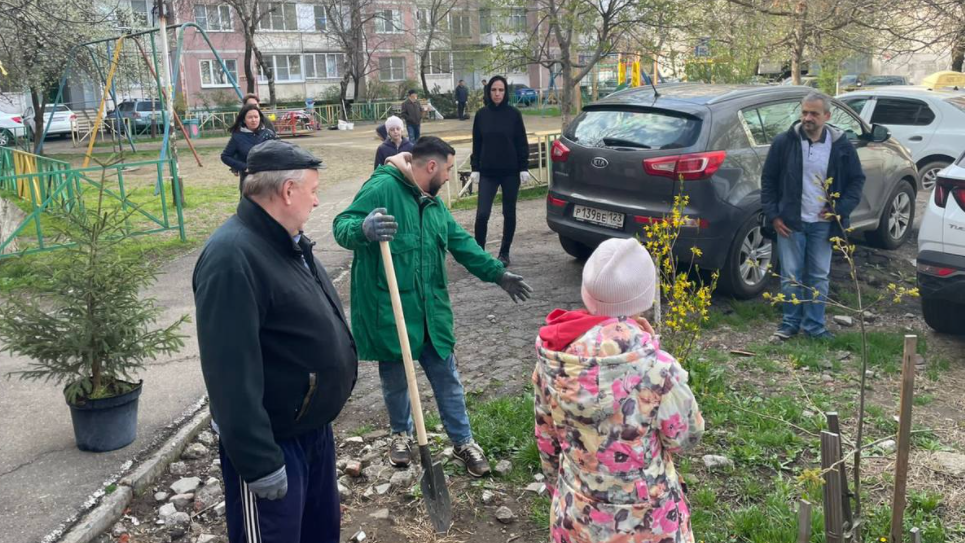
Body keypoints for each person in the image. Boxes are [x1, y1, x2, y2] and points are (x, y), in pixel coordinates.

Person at [333, 136, 533, 478]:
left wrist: (498, 274)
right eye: (449, 170)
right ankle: (401, 435)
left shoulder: (435, 205)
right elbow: (341, 226)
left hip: (432, 312)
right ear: (431, 167)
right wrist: (363, 229)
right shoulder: (381, 189)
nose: (450, 176)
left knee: (448, 379)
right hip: (394, 310)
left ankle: (463, 442)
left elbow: (462, 244)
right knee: (396, 379)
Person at [194, 140, 358, 543]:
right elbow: (229, 374)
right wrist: (258, 462)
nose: (317, 202)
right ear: (288, 192)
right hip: (274, 445)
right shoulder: (232, 258)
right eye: (314, 191)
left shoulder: (286, 241)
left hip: (312, 433)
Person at [533, 237, 704, 543]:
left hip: (576, 514)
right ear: (645, 297)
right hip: (648, 522)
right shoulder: (658, 368)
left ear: (587, 292)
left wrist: (556, 489)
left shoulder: (555, 359)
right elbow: (685, 437)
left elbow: (547, 440)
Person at [762, 91, 866, 341]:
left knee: (819, 276)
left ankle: (815, 327)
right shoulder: (783, 142)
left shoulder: (841, 146)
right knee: (791, 277)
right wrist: (774, 215)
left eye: (814, 114)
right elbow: (768, 180)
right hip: (791, 223)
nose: (808, 118)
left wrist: (839, 210)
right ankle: (789, 324)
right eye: (804, 112)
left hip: (824, 225)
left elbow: (856, 181)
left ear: (827, 116)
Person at [469, 75, 530, 266]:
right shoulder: (481, 115)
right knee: (482, 214)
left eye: (501, 90)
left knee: (509, 212)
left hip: (511, 172)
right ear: (489, 92)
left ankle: (504, 252)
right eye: (494, 90)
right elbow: (477, 143)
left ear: (506, 92)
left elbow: (521, 142)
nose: (497, 93)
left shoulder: (514, 114)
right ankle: (479, 253)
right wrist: (475, 168)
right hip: (487, 172)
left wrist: (523, 167)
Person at [222, 104, 277, 194]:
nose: (253, 120)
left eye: (256, 117)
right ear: (244, 119)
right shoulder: (237, 136)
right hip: (248, 180)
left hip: (268, 178)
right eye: (250, 117)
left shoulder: (268, 134)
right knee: (249, 205)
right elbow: (225, 156)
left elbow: (280, 152)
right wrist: (244, 167)